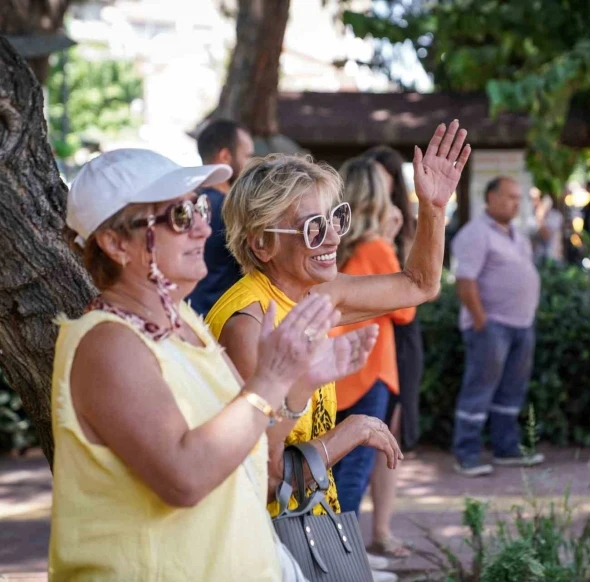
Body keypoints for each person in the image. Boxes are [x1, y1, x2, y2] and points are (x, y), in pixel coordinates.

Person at [51, 148, 379, 581]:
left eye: (201, 207)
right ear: (115, 244)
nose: (204, 226)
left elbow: (257, 470)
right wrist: (274, 377)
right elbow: (184, 478)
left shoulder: (186, 325)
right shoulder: (108, 344)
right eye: (180, 216)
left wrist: (298, 387)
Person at [205, 121, 469, 517]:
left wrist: (432, 207)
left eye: (335, 219)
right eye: (313, 228)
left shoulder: (316, 295)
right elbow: (263, 480)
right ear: (262, 244)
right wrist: (350, 433)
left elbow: (420, 285)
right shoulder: (247, 325)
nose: (332, 238)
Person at [330, 156, 415, 566]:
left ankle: (336, 553)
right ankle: (345, 560)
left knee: (333, 469)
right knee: (356, 471)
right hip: (370, 370)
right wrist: (395, 241)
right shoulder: (377, 247)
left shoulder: (333, 246)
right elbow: (406, 310)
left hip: (335, 371)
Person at [450, 176, 543, 477]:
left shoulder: (518, 234)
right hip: (491, 326)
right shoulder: (475, 234)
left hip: (521, 325)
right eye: (509, 197)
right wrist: (481, 322)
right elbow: (465, 282)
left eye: (518, 198)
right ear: (489, 197)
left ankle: (506, 448)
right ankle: (466, 453)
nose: (515, 203)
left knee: (511, 391)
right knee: (479, 389)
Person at [363, 146, 424, 559]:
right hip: (373, 329)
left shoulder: (404, 226)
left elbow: (419, 284)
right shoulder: (362, 234)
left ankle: (381, 529)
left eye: (388, 186)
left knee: (390, 432)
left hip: (401, 333)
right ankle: (351, 531)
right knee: (362, 430)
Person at [186, 120, 254, 316]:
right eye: (248, 155)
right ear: (225, 156)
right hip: (223, 323)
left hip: (188, 316)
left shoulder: (181, 206)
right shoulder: (233, 210)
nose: (251, 163)